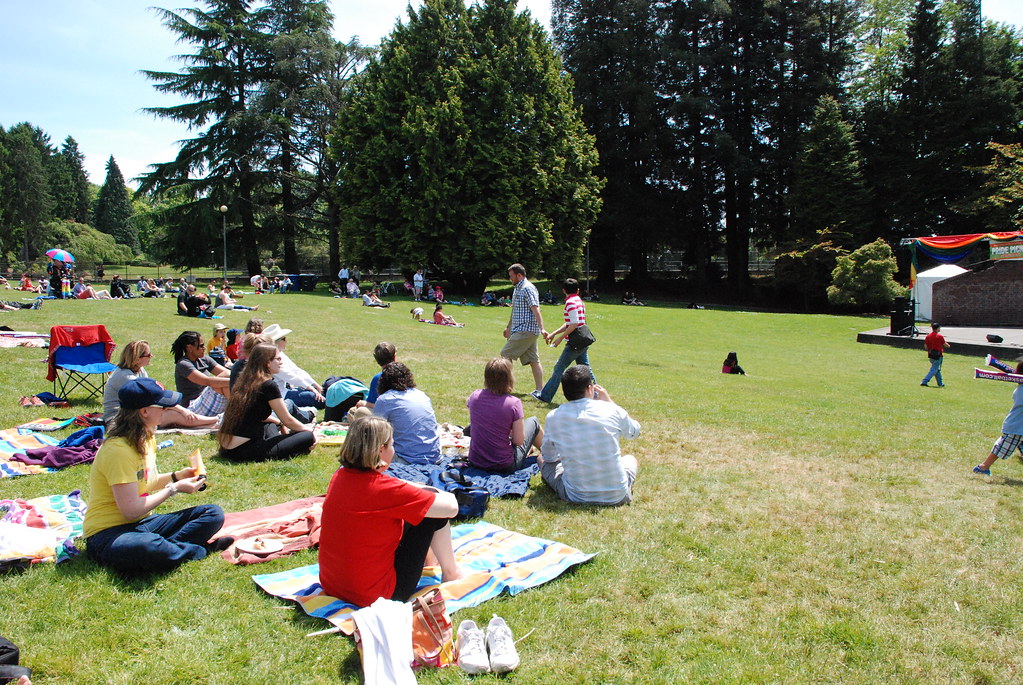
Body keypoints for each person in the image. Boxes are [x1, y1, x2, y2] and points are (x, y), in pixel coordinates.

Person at [83, 377, 229, 576]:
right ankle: (197, 550)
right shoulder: (118, 450)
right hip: (108, 534)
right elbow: (131, 511)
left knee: (212, 514)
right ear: (143, 412)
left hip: (142, 525)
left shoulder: (145, 437)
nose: (167, 409)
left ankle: (170, 550)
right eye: (161, 405)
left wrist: (177, 476)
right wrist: (174, 489)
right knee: (148, 546)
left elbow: (146, 482)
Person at [318, 416, 462, 607]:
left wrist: (412, 489)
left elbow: (387, 491)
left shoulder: (339, 477)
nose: (394, 451)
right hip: (379, 595)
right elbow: (452, 508)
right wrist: (434, 491)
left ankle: (430, 561)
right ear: (380, 450)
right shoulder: (385, 490)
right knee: (430, 514)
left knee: (419, 508)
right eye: (392, 445)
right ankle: (451, 573)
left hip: (334, 584)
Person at [540, 365, 640, 505]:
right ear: (589, 388)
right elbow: (634, 432)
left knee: (541, 460)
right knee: (630, 459)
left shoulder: (554, 416)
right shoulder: (610, 409)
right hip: (616, 495)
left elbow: (549, 457)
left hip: (576, 495)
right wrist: (610, 403)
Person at [217, 344, 316, 461]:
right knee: (307, 436)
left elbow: (259, 415)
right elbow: (288, 420)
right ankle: (295, 449)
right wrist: (313, 433)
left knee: (270, 424)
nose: (281, 362)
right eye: (278, 359)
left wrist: (280, 424)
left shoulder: (245, 380)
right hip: (245, 450)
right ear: (267, 362)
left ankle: (289, 448)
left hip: (227, 448)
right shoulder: (268, 385)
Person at [102, 340, 220, 430]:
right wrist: (184, 410)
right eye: (148, 355)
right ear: (137, 359)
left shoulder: (140, 370)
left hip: (136, 412)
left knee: (169, 412)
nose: (151, 356)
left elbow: (154, 395)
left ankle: (215, 422)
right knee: (173, 414)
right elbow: (153, 397)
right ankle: (216, 421)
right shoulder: (125, 376)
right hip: (118, 420)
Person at [466, 358, 543, 472]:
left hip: (476, 461)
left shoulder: (475, 396)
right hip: (503, 464)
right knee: (533, 421)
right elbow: (518, 441)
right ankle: (551, 455)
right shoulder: (513, 403)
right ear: (509, 378)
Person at [535, 278, 593, 403]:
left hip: (575, 343)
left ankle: (545, 396)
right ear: (578, 290)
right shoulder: (579, 301)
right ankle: (598, 396)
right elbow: (570, 323)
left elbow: (573, 324)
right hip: (583, 340)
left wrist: (560, 339)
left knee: (559, 368)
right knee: (587, 370)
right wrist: (554, 334)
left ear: (563, 290)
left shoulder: (570, 303)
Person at [372, 363, 442, 465]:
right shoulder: (421, 395)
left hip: (407, 460)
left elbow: (375, 434)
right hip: (435, 457)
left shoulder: (385, 399)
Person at [501, 263, 547, 395]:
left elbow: (536, 309)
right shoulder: (517, 288)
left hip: (526, 330)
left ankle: (505, 387)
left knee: (505, 355)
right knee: (534, 361)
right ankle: (540, 391)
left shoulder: (528, 288)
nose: (510, 279)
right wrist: (508, 327)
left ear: (519, 275)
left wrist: (542, 328)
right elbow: (515, 311)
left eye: (511, 276)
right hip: (522, 330)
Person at [263, 323, 327, 412]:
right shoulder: (271, 359)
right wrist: (312, 389)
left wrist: (315, 385)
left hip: (287, 389)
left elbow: (297, 370)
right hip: (280, 395)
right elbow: (291, 377)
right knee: (316, 399)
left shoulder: (280, 354)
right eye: (284, 339)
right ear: (277, 342)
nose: (286, 341)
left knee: (322, 392)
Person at [973, 363, 1023, 475]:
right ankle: (983, 467)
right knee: (1002, 448)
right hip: (1017, 427)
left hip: (1018, 427)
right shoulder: (1021, 390)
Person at [171, 331, 231, 416]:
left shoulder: (204, 359)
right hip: (192, 407)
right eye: (201, 346)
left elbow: (225, 372)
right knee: (226, 379)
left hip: (206, 400)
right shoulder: (183, 364)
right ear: (189, 348)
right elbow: (207, 381)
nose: (204, 348)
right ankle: (236, 413)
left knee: (227, 375)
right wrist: (235, 381)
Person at [357, 342, 396, 410]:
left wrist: (363, 404)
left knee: (359, 411)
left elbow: (373, 404)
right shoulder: (405, 374)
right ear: (394, 357)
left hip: (387, 414)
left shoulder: (378, 378)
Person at [921, 322, 949, 387]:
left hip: (931, 355)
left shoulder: (928, 336)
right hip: (938, 355)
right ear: (937, 329)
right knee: (934, 369)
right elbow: (945, 345)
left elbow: (926, 347)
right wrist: (948, 345)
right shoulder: (940, 336)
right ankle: (925, 381)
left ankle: (940, 383)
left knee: (937, 369)